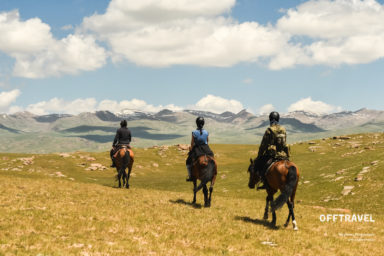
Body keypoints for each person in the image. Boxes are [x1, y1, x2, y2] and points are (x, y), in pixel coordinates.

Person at [255, 111, 289, 189]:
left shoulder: (269, 130)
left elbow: (263, 144)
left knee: (263, 169)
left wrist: (259, 155)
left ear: (270, 119)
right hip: (283, 155)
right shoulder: (283, 129)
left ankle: (265, 183)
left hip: (272, 155)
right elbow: (285, 142)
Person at [185, 116, 214, 181]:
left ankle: (190, 176)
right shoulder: (206, 132)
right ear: (203, 123)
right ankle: (213, 171)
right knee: (212, 157)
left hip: (197, 148)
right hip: (206, 147)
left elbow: (192, 143)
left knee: (188, 161)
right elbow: (207, 141)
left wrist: (191, 149)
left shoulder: (194, 132)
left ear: (196, 123)